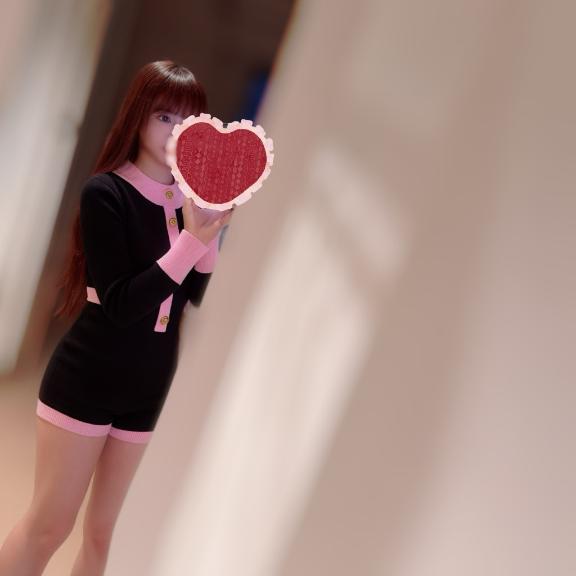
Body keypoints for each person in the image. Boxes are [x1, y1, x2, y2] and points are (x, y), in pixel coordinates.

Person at [0, 60, 233, 575]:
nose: (176, 131)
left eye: (187, 120)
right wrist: (192, 239)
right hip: (89, 376)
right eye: (164, 117)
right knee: (49, 526)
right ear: (138, 117)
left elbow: (191, 294)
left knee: (106, 534)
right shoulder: (106, 193)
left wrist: (209, 229)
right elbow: (123, 302)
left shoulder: (185, 201)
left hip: (147, 386)